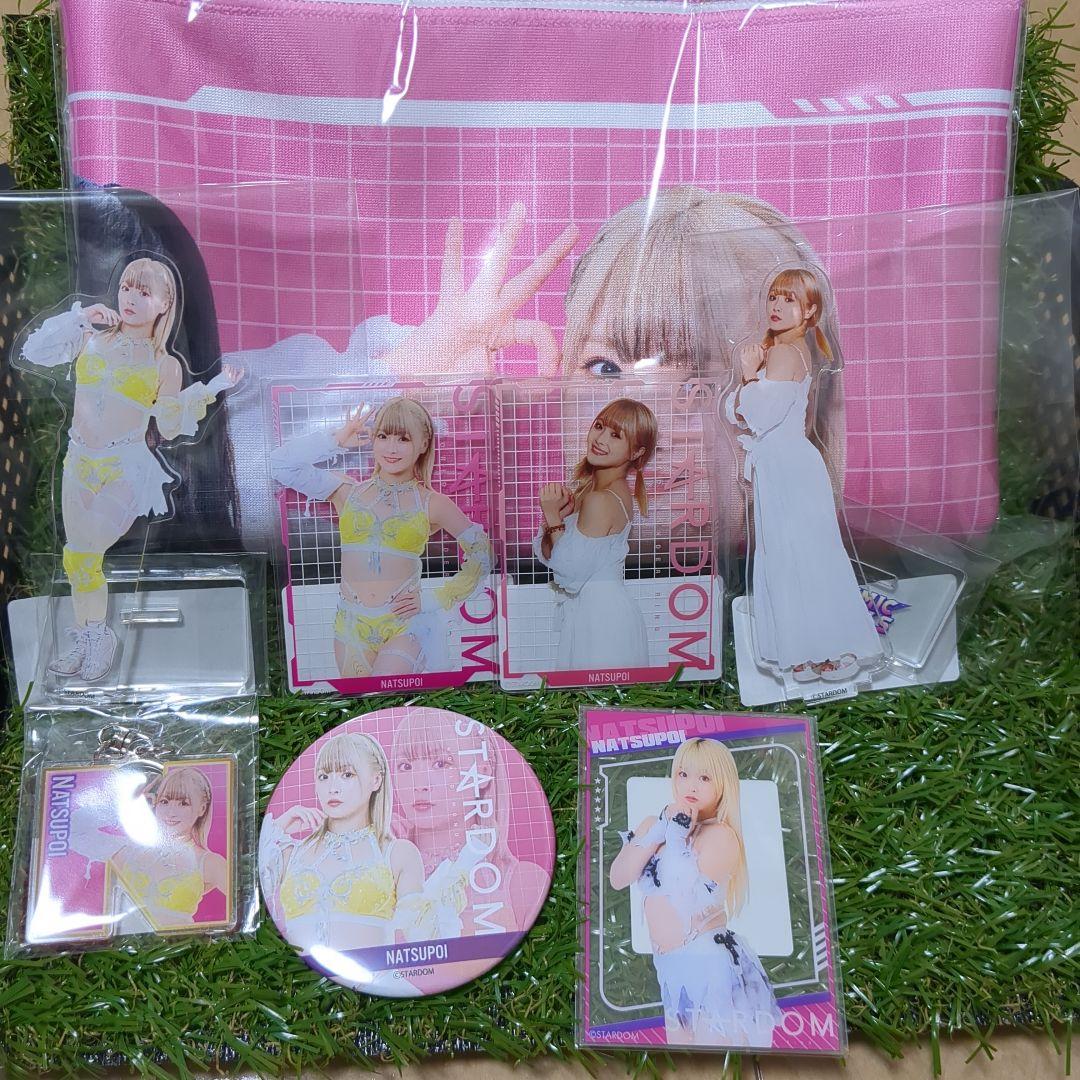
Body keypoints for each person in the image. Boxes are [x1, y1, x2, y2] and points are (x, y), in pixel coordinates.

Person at [17, 256, 241, 681]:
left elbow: (170, 426)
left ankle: (98, 637)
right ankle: (89, 636)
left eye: (144, 291)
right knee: (79, 561)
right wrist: (81, 315)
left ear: (164, 304)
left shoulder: (165, 364)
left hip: (125, 468)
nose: (130, 298)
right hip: (78, 460)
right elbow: (36, 351)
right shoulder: (90, 338)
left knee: (84, 551)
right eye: (125, 287)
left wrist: (213, 388)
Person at [724, 267, 882, 683]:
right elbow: (741, 413)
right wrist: (748, 383)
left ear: (811, 310)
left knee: (799, 557)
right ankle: (811, 651)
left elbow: (756, 415)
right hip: (785, 466)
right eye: (773, 296)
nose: (776, 305)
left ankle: (824, 650)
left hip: (788, 469)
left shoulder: (783, 352)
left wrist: (747, 375)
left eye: (789, 299)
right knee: (799, 556)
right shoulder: (783, 349)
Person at [269, 396, 493, 679]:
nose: (391, 448)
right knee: (363, 701)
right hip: (352, 625)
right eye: (383, 436)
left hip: (405, 625)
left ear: (423, 444)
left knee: (388, 692)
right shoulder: (347, 492)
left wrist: (436, 599)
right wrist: (337, 439)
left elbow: (483, 554)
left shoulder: (433, 503)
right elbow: (279, 465)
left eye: (403, 439)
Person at [609, 738, 781, 1047]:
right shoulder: (654, 823)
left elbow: (687, 898)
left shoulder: (722, 836)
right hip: (669, 967)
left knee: (716, 1048)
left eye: (704, 777)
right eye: (683, 774)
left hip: (709, 962)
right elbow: (619, 877)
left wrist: (677, 837)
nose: (691, 785)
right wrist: (660, 830)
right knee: (684, 1053)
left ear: (723, 784)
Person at [388, 708, 550, 941]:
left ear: (482, 772)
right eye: (405, 766)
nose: (419, 784)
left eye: (441, 763)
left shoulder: (524, 883)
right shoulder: (376, 871)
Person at [259, 731, 424, 953]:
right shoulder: (290, 854)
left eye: (347, 774)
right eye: (323, 776)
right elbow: (240, 894)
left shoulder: (398, 854)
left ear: (376, 780)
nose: (332, 788)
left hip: (377, 971)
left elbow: (420, 940)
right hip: (297, 972)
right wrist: (278, 826)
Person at [533, 398, 657, 671]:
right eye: (599, 426)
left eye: (616, 435)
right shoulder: (593, 491)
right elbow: (554, 555)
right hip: (594, 615)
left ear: (637, 452)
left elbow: (569, 576)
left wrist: (553, 517)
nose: (600, 439)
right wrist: (557, 519)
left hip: (602, 621)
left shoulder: (601, 499)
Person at [66, 765, 229, 933]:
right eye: (164, 801)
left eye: (183, 803)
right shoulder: (128, 851)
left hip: (176, 945)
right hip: (123, 942)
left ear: (202, 808)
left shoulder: (208, 863)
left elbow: (241, 902)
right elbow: (74, 829)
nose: (171, 812)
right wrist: (124, 806)